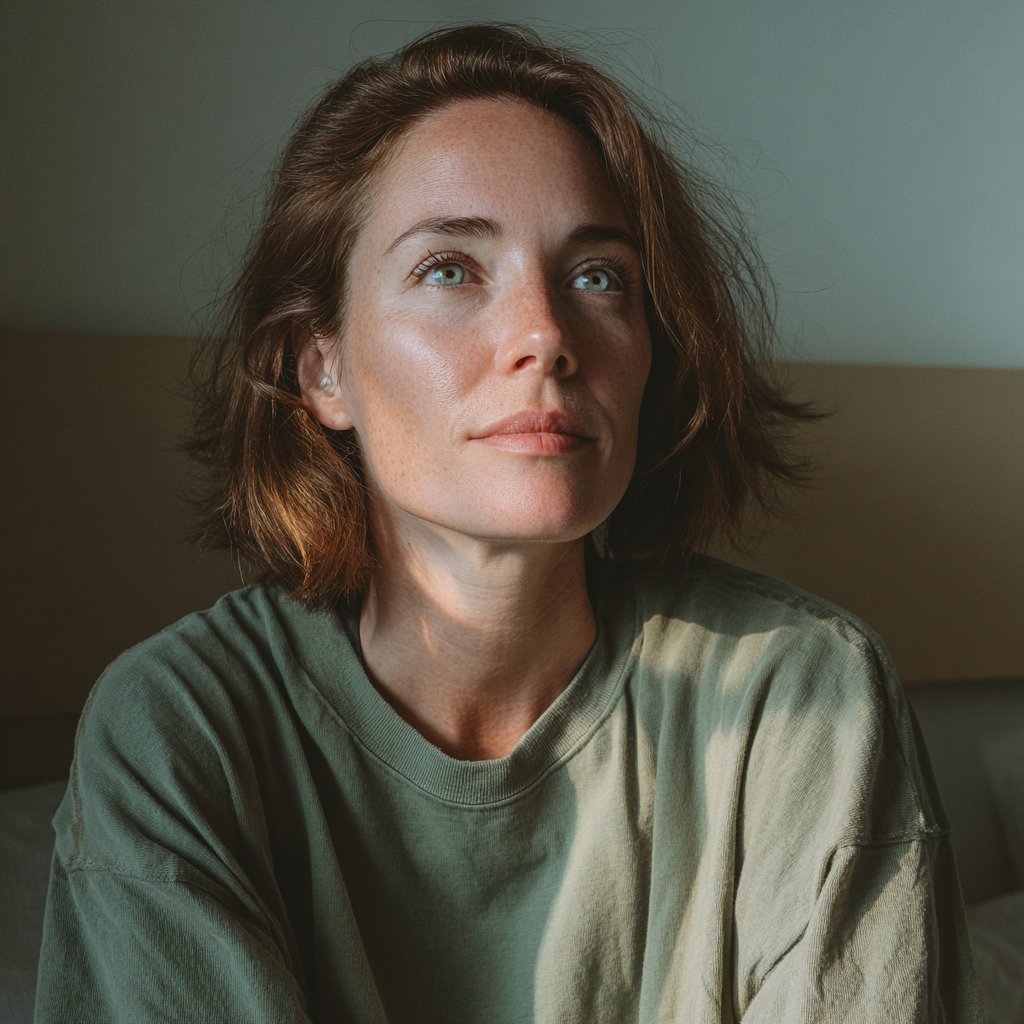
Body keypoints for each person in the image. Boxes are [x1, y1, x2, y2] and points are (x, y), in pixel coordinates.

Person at [35, 23, 982, 1024]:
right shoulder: (179, 730)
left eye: (598, 276)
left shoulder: (802, 698)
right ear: (322, 367)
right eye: (450, 268)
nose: (543, 333)